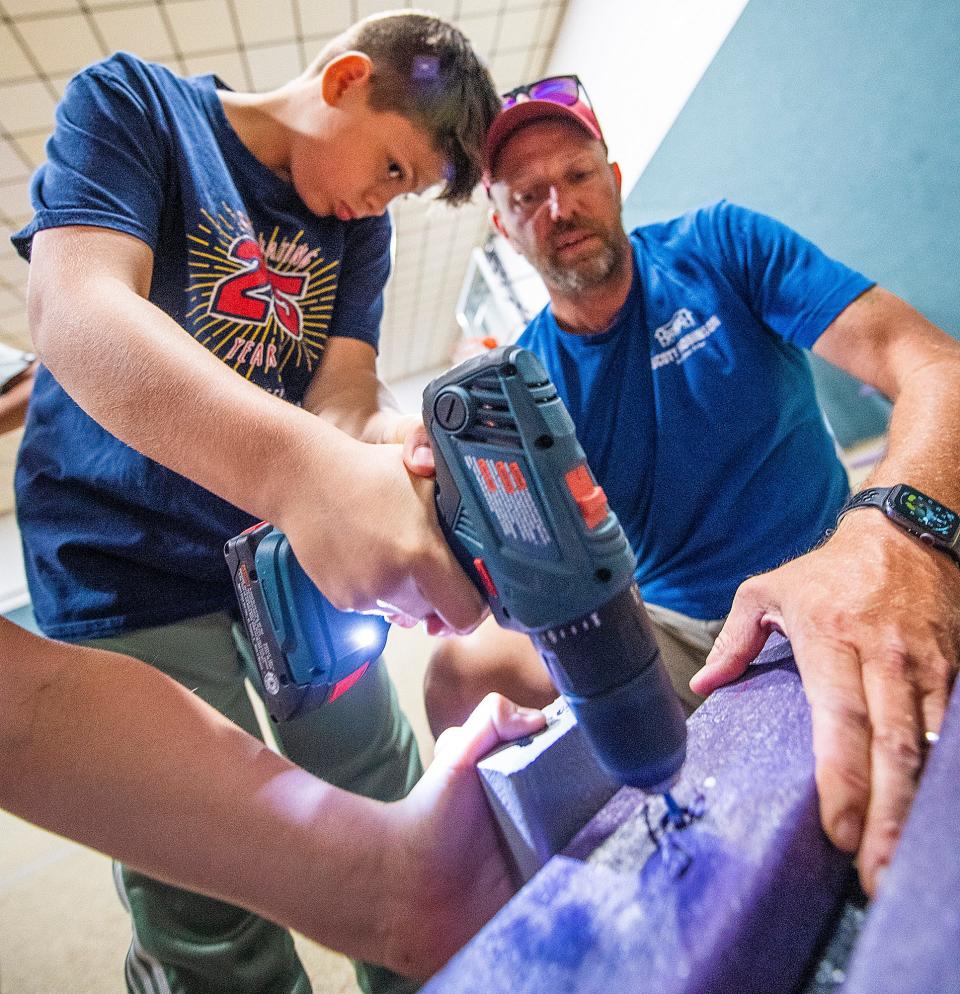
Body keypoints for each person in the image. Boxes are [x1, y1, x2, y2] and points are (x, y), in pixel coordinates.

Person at [10, 12, 498, 994]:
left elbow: (344, 395)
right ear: (346, 79)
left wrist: (384, 447)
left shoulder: (358, 234)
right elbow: (78, 309)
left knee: (381, 782)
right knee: (202, 886)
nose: (380, 205)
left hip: (282, 561)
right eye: (394, 169)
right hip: (121, 560)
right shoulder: (137, 104)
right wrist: (303, 474)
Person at [424, 74, 960, 898]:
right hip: (668, 623)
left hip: (820, 553)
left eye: (576, 176)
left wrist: (890, 533)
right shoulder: (522, 382)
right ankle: (529, 910)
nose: (560, 209)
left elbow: (933, 366)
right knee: (456, 671)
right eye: (528, 196)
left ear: (615, 176)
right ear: (502, 225)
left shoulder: (721, 247)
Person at [0, 614, 545, 981]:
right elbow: (25, 707)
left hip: (275, 531)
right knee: (207, 916)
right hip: (111, 538)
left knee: (374, 774)